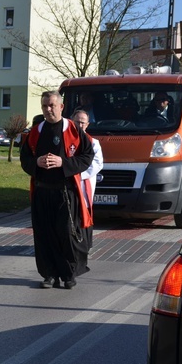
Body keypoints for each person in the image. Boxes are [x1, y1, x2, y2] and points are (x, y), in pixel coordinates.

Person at [20, 91, 94, 290]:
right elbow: (24, 159)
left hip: (66, 192)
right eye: (44, 106)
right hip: (42, 192)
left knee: (66, 233)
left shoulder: (74, 130)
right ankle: (49, 274)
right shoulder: (35, 132)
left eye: (52, 105)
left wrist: (64, 163)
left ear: (61, 107)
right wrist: (36, 162)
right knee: (44, 235)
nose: (48, 109)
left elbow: (87, 156)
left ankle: (68, 273)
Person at [72, 109, 104, 256]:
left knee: (83, 212)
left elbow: (97, 164)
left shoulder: (93, 143)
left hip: (84, 183)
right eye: (77, 122)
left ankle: (85, 243)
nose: (79, 125)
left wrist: (78, 175)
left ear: (87, 124)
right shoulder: (65, 139)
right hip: (68, 183)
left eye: (82, 123)